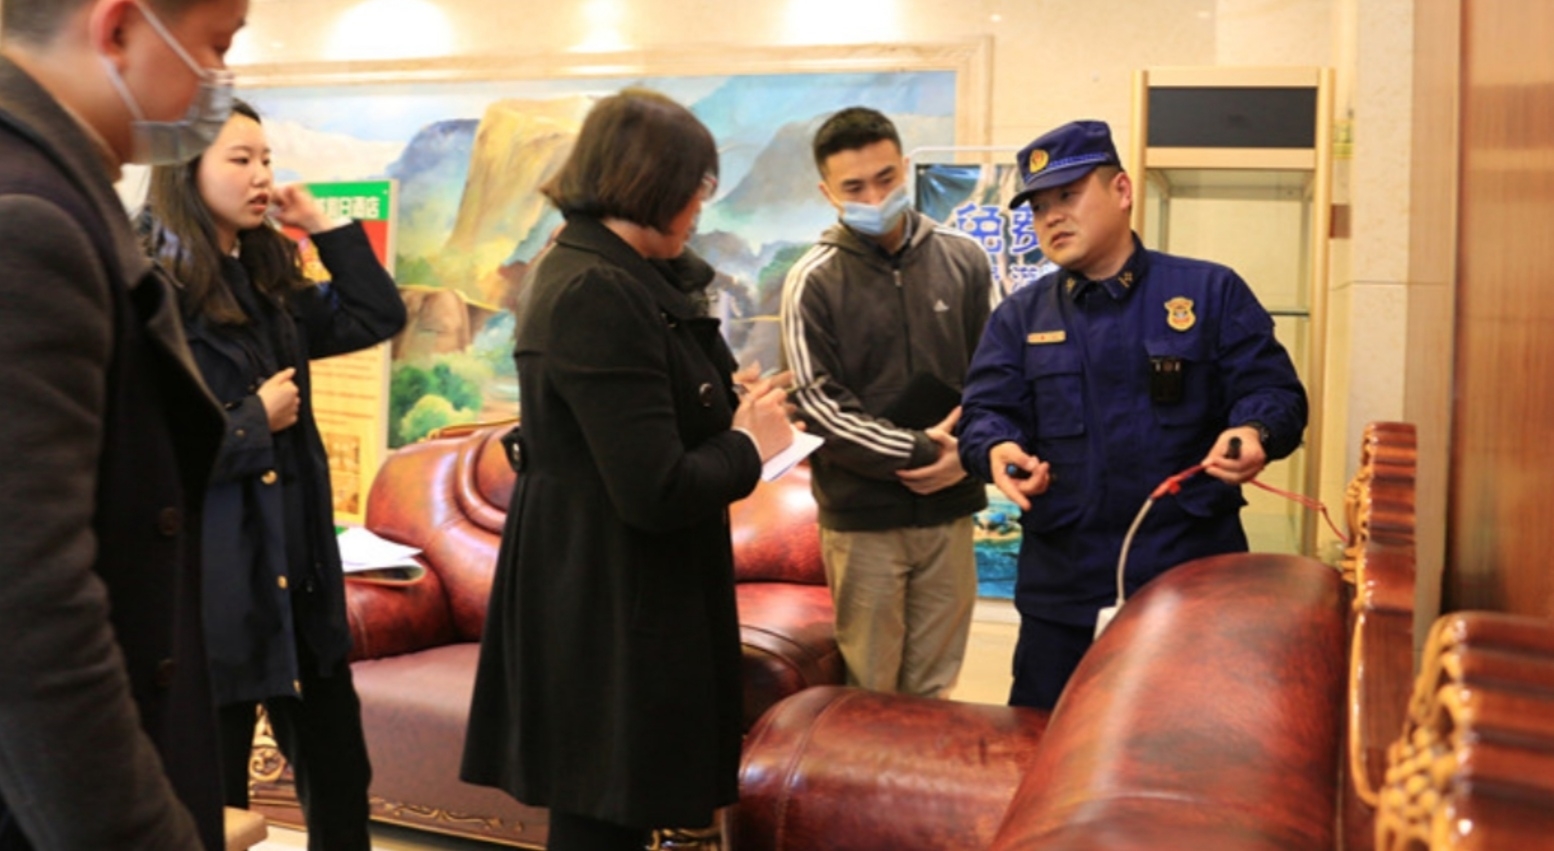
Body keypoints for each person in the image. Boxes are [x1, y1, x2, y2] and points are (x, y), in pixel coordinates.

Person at [460, 89, 794, 851]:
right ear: (654, 182)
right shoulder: (596, 288)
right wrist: (749, 445)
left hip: (620, 584)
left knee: (614, 809)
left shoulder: (626, 273)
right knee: (601, 815)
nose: (701, 206)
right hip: (606, 594)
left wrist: (726, 406)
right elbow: (656, 488)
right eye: (697, 186)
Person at [0, 1, 247, 848]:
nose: (222, 77)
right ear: (117, 29)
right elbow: (30, 614)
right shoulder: (29, 218)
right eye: (218, 43)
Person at [957, 119, 1309, 710]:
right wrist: (997, 449)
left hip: (1192, 583)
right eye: (1038, 207)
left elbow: (1275, 391)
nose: (1051, 217)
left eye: (1068, 195)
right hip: (1064, 594)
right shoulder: (1019, 317)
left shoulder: (1209, 293)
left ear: (1121, 190)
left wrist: (1253, 431)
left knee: (1194, 745)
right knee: (1047, 745)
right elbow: (985, 412)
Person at [139, 98, 406, 851]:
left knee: (340, 782)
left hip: (301, 583)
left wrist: (323, 227)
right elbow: (149, 453)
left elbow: (376, 314)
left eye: (266, 160)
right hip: (215, 595)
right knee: (214, 804)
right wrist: (251, 421)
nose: (261, 176)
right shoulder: (152, 287)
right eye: (240, 159)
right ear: (185, 168)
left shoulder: (265, 279)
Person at [780, 106, 991, 697]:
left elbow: (996, 378)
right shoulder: (813, 279)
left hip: (950, 509)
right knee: (869, 691)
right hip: (862, 518)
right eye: (854, 187)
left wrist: (963, 457)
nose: (874, 197)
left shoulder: (964, 258)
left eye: (886, 178)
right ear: (828, 193)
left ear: (905, 168)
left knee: (935, 686)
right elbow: (817, 403)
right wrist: (920, 451)